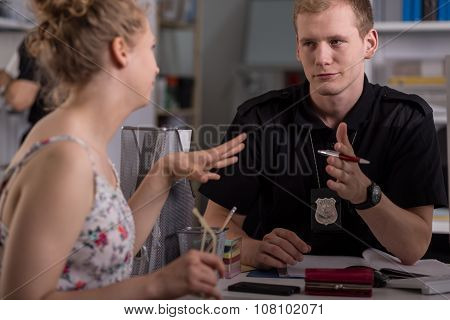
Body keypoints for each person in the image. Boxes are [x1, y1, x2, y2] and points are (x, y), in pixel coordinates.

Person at [0, 0, 246, 299]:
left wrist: (165, 171)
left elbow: (107, 249)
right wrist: (155, 284)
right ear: (121, 50)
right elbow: (22, 305)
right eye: (151, 48)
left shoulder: (81, 142)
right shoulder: (66, 159)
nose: (156, 67)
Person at [200, 0, 447, 269]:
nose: (321, 58)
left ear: (370, 43)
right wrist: (249, 250)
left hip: (377, 294)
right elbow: (212, 229)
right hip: (281, 293)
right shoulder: (259, 118)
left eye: (336, 41)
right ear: (297, 48)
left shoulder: (408, 118)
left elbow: (413, 248)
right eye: (310, 43)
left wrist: (365, 194)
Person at [0, 36, 48, 142]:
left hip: (50, 133)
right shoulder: (87, 37)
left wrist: (5, 85)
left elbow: (19, 99)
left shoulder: (37, 40)